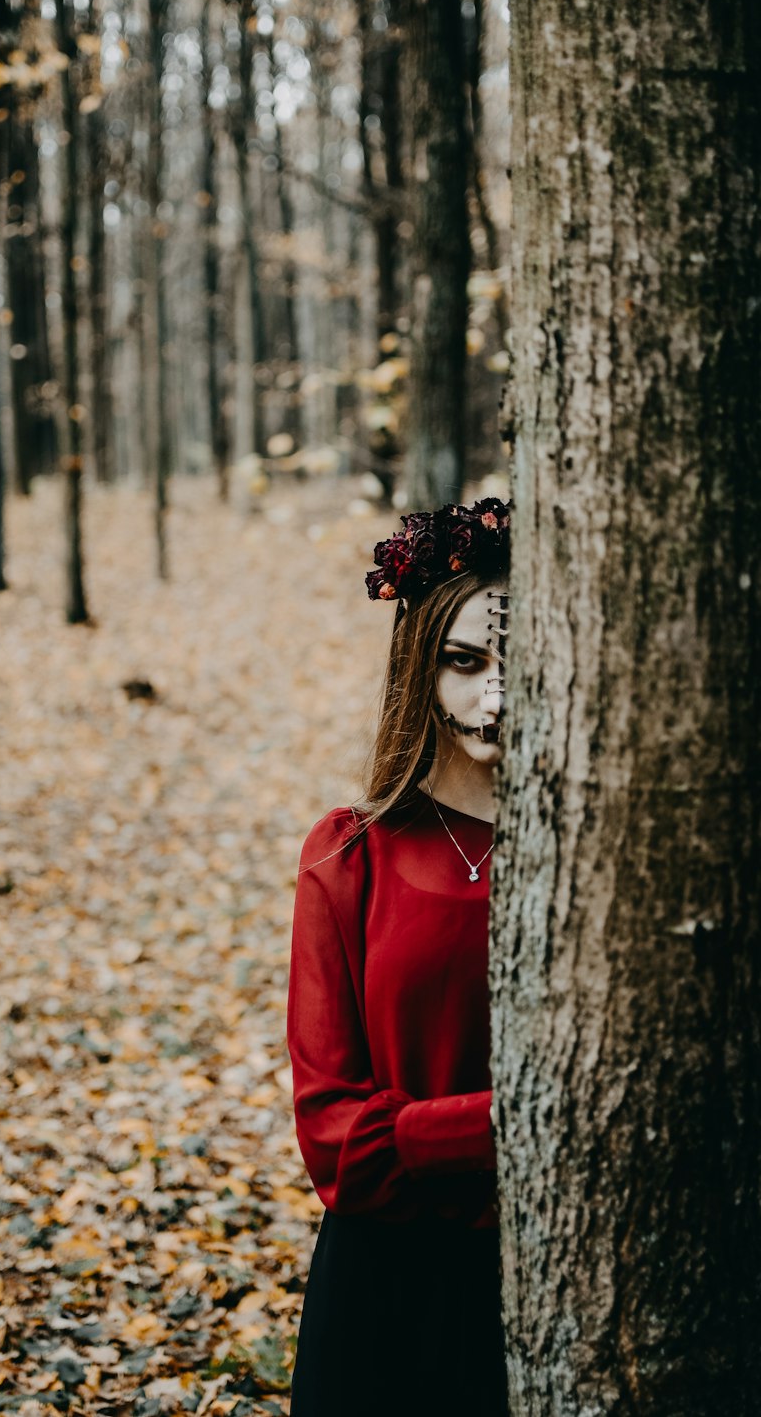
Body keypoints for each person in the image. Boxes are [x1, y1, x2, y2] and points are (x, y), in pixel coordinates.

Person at [287, 498, 511, 1416]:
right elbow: (337, 1140)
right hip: (384, 1288)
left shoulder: (607, 857)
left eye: (518, 665)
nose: (493, 697)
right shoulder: (350, 854)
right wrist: (524, 1125)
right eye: (465, 663)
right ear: (420, 665)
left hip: (569, 1271)